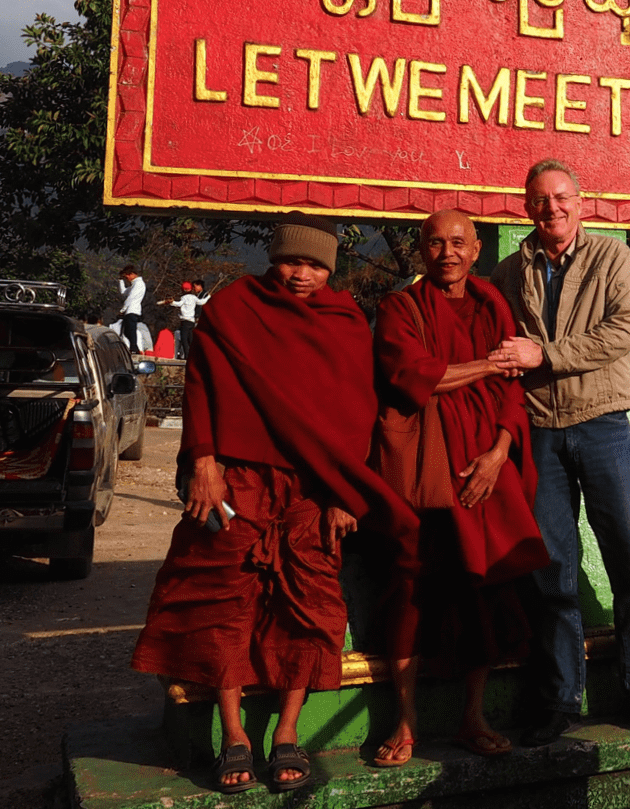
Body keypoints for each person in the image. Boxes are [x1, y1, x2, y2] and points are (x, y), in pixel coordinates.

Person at [131, 216, 417, 794]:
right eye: (293, 262)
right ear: (274, 259)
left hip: (313, 487)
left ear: (331, 270)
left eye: (315, 265)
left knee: (310, 605)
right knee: (223, 600)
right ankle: (235, 735)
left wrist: (344, 493)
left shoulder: (343, 322)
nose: (302, 275)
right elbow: (201, 385)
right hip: (237, 478)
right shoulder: (235, 308)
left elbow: (354, 411)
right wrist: (204, 462)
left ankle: (287, 733)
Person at [489, 160, 630, 745]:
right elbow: (496, 344)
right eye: (540, 200)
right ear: (527, 207)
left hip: (602, 426)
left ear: (580, 201)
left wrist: (545, 356)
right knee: (551, 574)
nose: (552, 209)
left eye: (561, 197)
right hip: (540, 429)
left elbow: (623, 331)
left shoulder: (612, 257)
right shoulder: (508, 271)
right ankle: (561, 699)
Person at [369, 210, 548, 767]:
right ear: (421, 251)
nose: (446, 252)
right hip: (423, 464)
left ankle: (474, 714)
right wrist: (488, 365)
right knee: (410, 588)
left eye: (457, 243)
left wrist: (499, 453)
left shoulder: (495, 304)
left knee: (482, 588)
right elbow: (416, 375)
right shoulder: (400, 308)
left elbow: (515, 390)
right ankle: (405, 718)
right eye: (434, 243)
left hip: (482, 464)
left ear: (475, 251)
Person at [162, 281, 212, 360]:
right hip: (191, 322)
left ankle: (187, 356)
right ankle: (193, 356)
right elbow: (202, 302)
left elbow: (179, 304)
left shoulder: (184, 298)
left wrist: (172, 302)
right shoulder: (194, 297)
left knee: (184, 339)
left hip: (185, 321)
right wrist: (208, 297)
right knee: (190, 339)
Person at [117, 265, 146, 354]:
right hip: (130, 310)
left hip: (133, 310)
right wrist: (120, 281)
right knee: (127, 331)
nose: (127, 278)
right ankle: (134, 347)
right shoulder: (134, 284)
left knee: (132, 330)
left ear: (133, 274)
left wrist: (123, 309)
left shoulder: (139, 284)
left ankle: (133, 347)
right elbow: (124, 292)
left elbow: (131, 297)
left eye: (128, 276)